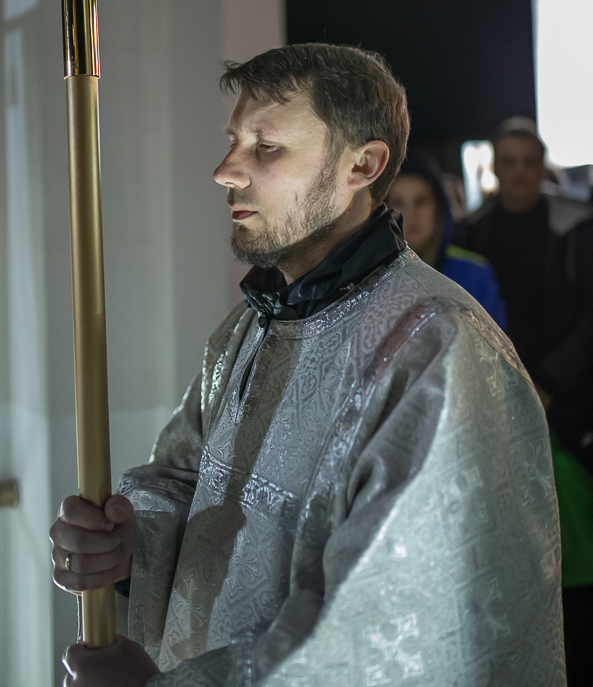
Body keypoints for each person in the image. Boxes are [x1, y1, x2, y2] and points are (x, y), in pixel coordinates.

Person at [52, 46, 564, 687]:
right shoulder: (252, 324)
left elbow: (395, 625)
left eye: (266, 147)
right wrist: (132, 543)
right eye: (233, 142)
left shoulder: (437, 347)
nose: (225, 171)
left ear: (363, 165)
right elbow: (185, 479)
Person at [455, 116, 593, 686]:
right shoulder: (472, 234)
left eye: (528, 163)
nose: (518, 173)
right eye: (508, 163)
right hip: (495, 403)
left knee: (576, 550)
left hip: (569, 407)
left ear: (541, 167)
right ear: (495, 168)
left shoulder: (575, 228)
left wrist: (551, 383)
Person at [387, 149, 506, 328]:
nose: (411, 215)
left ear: (439, 209)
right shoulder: (371, 280)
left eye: (421, 201)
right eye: (398, 203)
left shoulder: (474, 275)